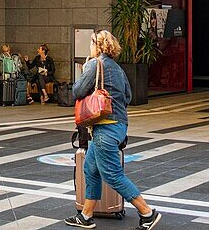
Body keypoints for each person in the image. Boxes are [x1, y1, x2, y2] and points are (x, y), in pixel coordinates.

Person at [65, 30, 160, 230]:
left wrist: (86, 69)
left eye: (91, 44)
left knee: (112, 174)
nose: (89, 47)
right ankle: (86, 215)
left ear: (97, 46)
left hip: (105, 129)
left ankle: (147, 213)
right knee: (90, 169)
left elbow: (77, 91)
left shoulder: (94, 64)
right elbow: (127, 96)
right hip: (118, 125)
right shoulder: (117, 68)